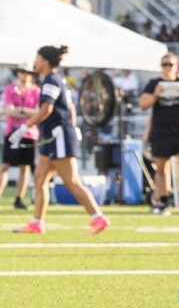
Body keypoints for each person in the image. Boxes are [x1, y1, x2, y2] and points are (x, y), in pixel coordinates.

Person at [9, 46, 110, 235]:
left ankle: (98, 217)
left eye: (38, 58)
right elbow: (69, 107)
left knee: (71, 181)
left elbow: (46, 110)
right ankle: (37, 222)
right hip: (54, 137)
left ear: (45, 61)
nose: (35, 61)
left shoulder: (51, 80)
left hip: (59, 136)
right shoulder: (55, 79)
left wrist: (24, 127)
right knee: (40, 178)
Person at [141, 53, 179, 214]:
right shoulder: (154, 83)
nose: (167, 68)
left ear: (176, 67)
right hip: (161, 131)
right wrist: (156, 94)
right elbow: (143, 104)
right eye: (164, 65)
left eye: (170, 65)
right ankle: (162, 201)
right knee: (161, 169)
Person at [1, 64, 39, 210]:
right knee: (5, 165)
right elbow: (9, 111)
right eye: (23, 72)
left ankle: (19, 199)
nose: (25, 75)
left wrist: (21, 110)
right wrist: (29, 113)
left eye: (28, 72)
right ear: (18, 73)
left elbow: (39, 112)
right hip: (13, 131)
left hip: (30, 133)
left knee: (25, 167)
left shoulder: (36, 91)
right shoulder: (10, 89)